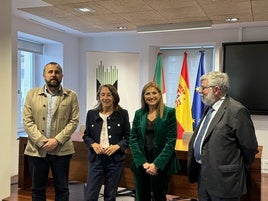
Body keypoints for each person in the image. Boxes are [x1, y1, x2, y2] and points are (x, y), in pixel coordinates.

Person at [187, 71, 258, 201]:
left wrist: (234, 168)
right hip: (204, 176)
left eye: (203, 88)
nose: (200, 91)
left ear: (216, 90)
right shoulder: (208, 108)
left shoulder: (236, 111)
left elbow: (250, 147)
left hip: (225, 181)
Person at [23, 62, 80, 201]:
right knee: (37, 190)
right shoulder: (32, 94)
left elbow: (74, 121)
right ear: (44, 75)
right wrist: (41, 141)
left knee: (62, 189)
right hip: (37, 150)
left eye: (57, 72)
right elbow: (27, 120)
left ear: (62, 76)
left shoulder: (71, 96)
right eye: (50, 72)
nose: (53, 75)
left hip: (61, 151)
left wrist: (56, 141)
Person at [129, 81, 180, 201]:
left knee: (159, 197)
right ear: (143, 96)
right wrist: (143, 162)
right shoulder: (139, 113)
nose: (151, 96)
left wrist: (156, 165)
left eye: (154, 93)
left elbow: (171, 141)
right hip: (142, 163)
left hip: (161, 164)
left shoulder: (169, 112)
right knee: (141, 197)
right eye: (147, 93)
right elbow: (133, 139)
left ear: (159, 95)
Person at [83, 84, 130, 201]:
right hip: (96, 159)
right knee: (90, 195)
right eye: (102, 94)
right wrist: (93, 144)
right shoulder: (91, 114)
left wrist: (118, 146)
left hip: (115, 160)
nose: (105, 97)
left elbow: (128, 137)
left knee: (110, 196)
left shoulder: (122, 114)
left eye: (109, 95)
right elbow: (86, 135)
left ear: (114, 97)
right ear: (99, 97)